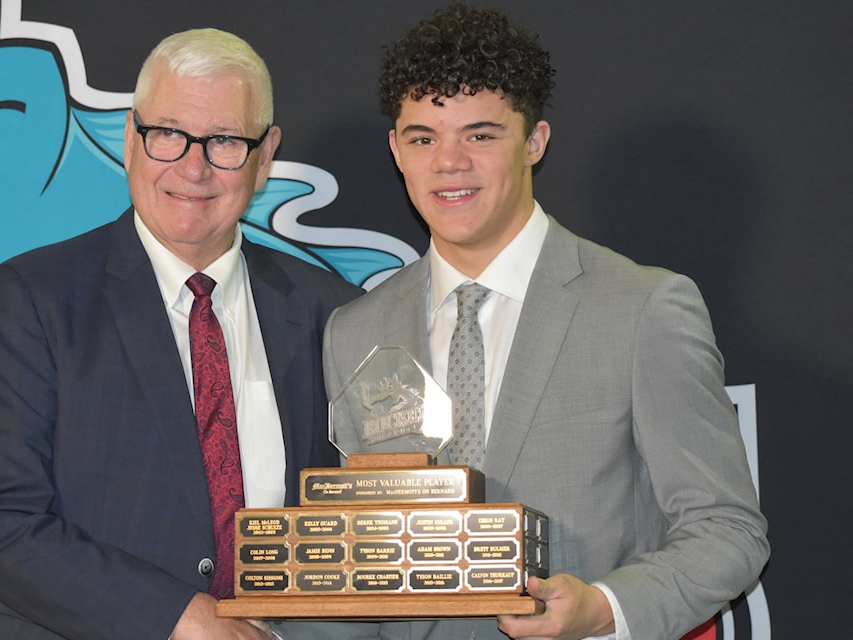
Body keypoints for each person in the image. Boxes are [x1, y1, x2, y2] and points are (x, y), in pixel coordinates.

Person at [300, 4, 769, 640]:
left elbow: (728, 529)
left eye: (481, 135)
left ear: (535, 142)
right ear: (396, 151)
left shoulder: (643, 308)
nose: (450, 163)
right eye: (423, 138)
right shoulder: (353, 331)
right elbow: (367, 567)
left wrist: (602, 607)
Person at [0, 28, 360, 640]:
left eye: (224, 140)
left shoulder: (333, 310)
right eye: (168, 134)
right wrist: (176, 618)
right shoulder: (36, 298)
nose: (192, 168)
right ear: (130, 137)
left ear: (266, 153)